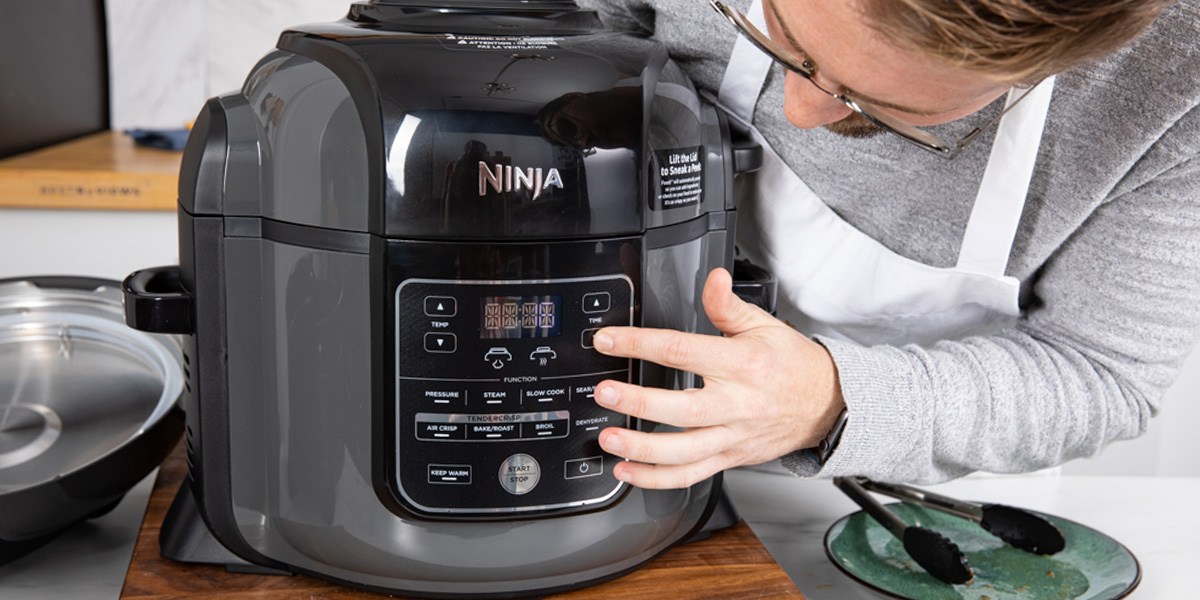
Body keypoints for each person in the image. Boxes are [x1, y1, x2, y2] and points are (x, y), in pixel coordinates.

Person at [573, 0, 1200, 486]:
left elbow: (1101, 371)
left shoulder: (1178, 71)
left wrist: (829, 402)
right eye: (779, 35)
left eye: (870, 106)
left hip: (907, 496)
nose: (797, 111)